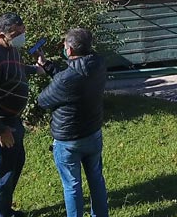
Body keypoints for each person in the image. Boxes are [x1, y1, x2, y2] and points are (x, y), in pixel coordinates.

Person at [0, 12, 42, 217]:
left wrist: (34, 69)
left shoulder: (9, 47)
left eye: (22, 31)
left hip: (12, 120)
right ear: (2, 35)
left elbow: (14, 67)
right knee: (4, 173)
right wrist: (1, 131)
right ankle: (1, 214)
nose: (21, 36)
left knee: (16, 162)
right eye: (16, 33)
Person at [37, 28, 109, 217]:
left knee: (72, 186)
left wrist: (50, 74)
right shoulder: (98, 64)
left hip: (68, 141)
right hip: (93, 133)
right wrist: (49, 66)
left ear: (69, 51)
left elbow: (43, 100)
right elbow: (73, 75)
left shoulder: (65, 80)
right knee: (96, 179)